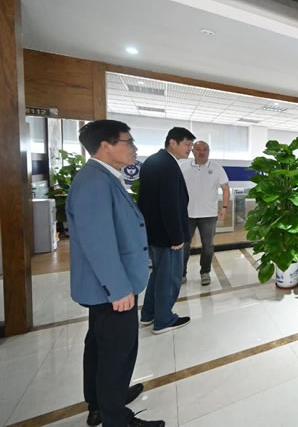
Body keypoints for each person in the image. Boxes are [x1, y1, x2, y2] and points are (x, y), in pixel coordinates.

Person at [67, 119, 165, 427]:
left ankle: (102, 401)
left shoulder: (102, 177)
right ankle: (116, 418)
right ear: (106, 145)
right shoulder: (95, 183)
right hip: (111, 289)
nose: (134, 147)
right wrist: (119, 288)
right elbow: (98, 242)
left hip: (105, 287)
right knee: (117, 353)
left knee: (100, 346)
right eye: (128, 141)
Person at [137, 127, 195, 334]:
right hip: (166, 235)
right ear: (172, 142)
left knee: (158, 273)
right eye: (187, 144)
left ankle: (149, 314)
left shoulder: (153, 161)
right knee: (169, 277)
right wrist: (176, 236)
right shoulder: (168, 165)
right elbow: (169, 204)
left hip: (153, 232)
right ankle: (164, 319)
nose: (190, 149)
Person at [181, 141, 230, 286]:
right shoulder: (183, 166)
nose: (202, 152)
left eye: (205, 149)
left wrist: (224, 207)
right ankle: (181, 274)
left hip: (209, 214)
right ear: (193, 151)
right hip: (187, 214)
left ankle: (205, 272)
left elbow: (225, 189)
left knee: (208, 246)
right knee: (184, 246)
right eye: (198, 149)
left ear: (209, 151)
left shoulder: (216, 168)